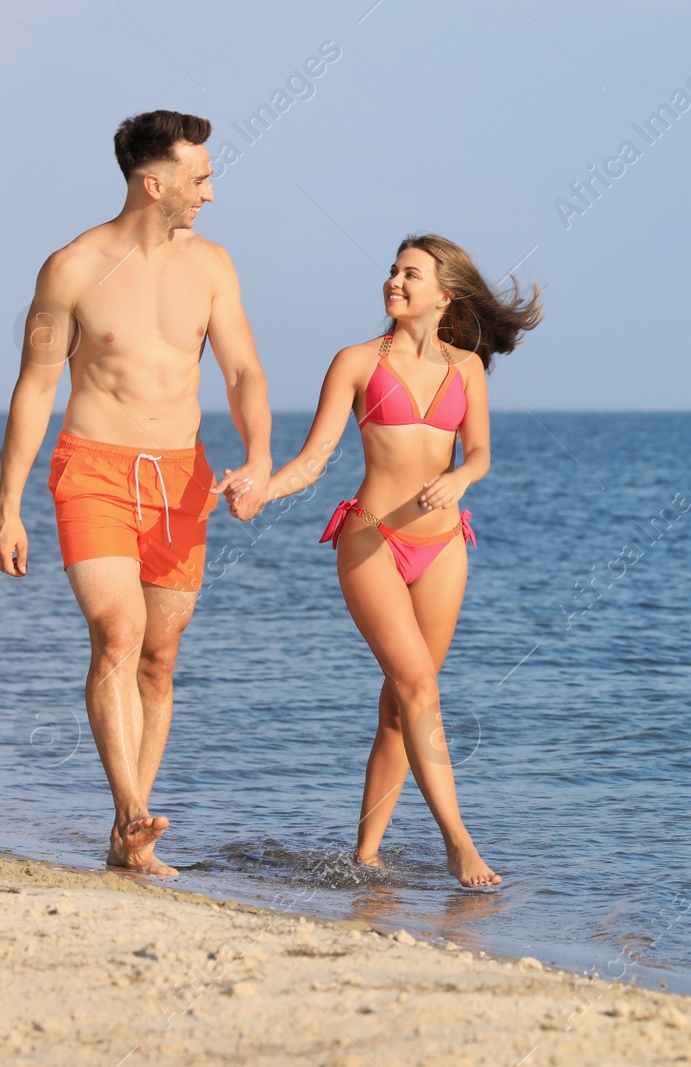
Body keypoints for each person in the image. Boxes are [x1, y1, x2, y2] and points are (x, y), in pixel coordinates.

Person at [0, 110, 272, 875]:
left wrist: (260, 458)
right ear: (157, 183)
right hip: (95, 471)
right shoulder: (72, 268)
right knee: (117, 633)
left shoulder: (212, 266)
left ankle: (129, 843)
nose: (210, 191)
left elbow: (242, 370)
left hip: (183, 480)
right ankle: (132, 811)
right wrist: (8, 504)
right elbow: (36, 387)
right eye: (200, 177)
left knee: (159, 657)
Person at [254, 235, 540, 888]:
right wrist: (263, 488)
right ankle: (459, 843)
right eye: (392, 271)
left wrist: (461, 480)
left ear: (445, 296)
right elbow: (314, 458)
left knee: (398, 706)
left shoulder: (465, 367)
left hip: (443, 547)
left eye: (411, 274)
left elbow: (481, 454)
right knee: (420, 688)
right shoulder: (356, 362)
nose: (395, 281)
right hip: (372, 541)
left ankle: (365, 857)